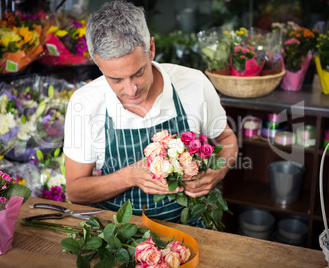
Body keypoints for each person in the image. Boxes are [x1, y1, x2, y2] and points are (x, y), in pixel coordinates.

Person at [63, 0, 238, 227]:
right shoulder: (85, 103)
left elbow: (227, 139)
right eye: (115, 79)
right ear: (97, 63)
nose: (130, 90)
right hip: (119, 239)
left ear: (151, 49)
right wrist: (129, 177)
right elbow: (76, 192)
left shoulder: (194, 84)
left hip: (192, 229)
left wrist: (217, 171)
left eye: (138, 73)